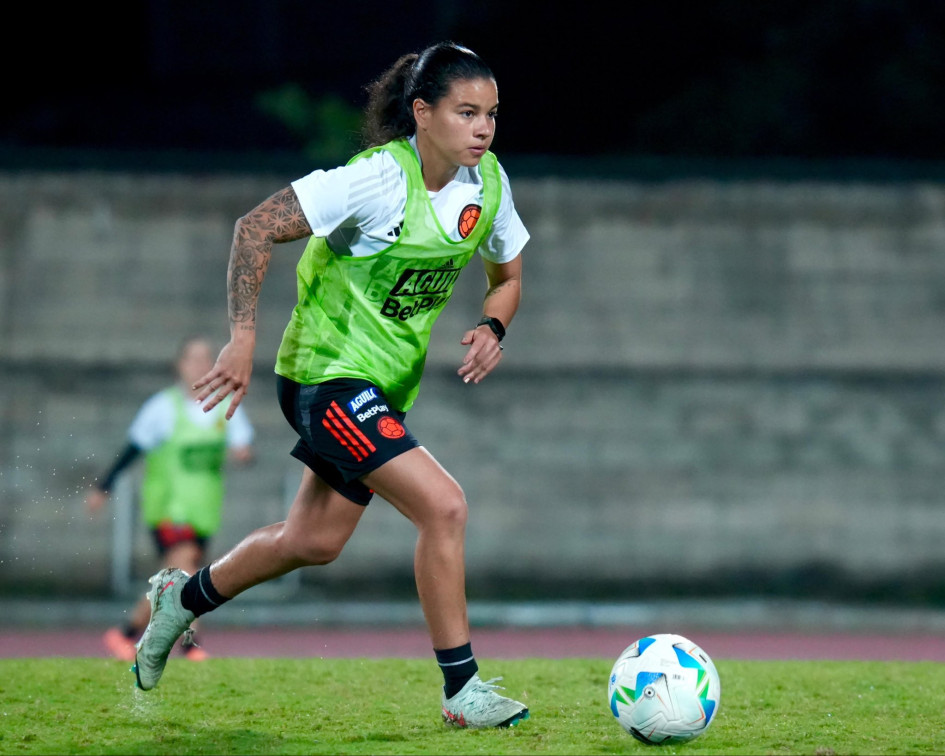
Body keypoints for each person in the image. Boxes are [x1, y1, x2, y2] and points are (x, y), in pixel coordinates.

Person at [132, 41, 530, 729]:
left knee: (311, 541)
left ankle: (181, 601)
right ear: (422, 113)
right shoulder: (375, 179)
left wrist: (493, 327)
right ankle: (461, 691)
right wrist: (244, 336)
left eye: (490, 114)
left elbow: (510, 278)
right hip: (324, 376)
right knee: (445, 507)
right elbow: (254, 228)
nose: (483, 128)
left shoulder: (487, 185)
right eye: (466, 113)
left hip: (382, 387)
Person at [86, 335, 255, 662]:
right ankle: (190, 644)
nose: (200, 365)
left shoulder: (225, 406)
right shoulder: (161, 408)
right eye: (193, 359)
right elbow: (131, 451)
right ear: (179, 365)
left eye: (207, 358)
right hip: (167, 507)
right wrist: (102, 487)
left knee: (174, 578)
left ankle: (124, 633)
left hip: (204, 510)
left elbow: (244, 446)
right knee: (186, 568)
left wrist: (244, 454)